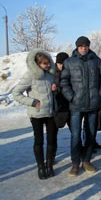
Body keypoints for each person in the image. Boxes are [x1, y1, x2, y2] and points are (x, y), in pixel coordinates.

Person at [61, 36, 101, 177]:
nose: (83, 48)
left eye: (86, 45)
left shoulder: (96, 61)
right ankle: (75, 163)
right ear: (77, 47)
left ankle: (86, 160)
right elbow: (64, 81)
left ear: (88, 46)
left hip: (93, 104)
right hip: (76, 105)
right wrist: (71, 97)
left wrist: (100, 96)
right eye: (81, 46)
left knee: (90, 134)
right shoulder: (69, 62)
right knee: (75, 136)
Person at [13, 50, 58, 179]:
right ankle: (41, 167)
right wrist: (32, 102)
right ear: (37, 64)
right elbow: (16, 93)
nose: (47, 65)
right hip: (36, 114)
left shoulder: (50, 76)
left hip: (50, 112)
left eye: (48, 63)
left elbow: (51, 94)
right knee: (39, 141)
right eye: (44, 64)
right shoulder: (30, 76)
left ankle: (49, 165)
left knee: (51, 140)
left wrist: (54, 90)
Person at [53, 52, 70, 160]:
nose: (62, 66)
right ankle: (52, 155)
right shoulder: (51, 73)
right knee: (53, 133)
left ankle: (79, 150)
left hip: (69, 105)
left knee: (75, 131)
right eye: (60, 64)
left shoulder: (70, 71)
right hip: (57, 107)